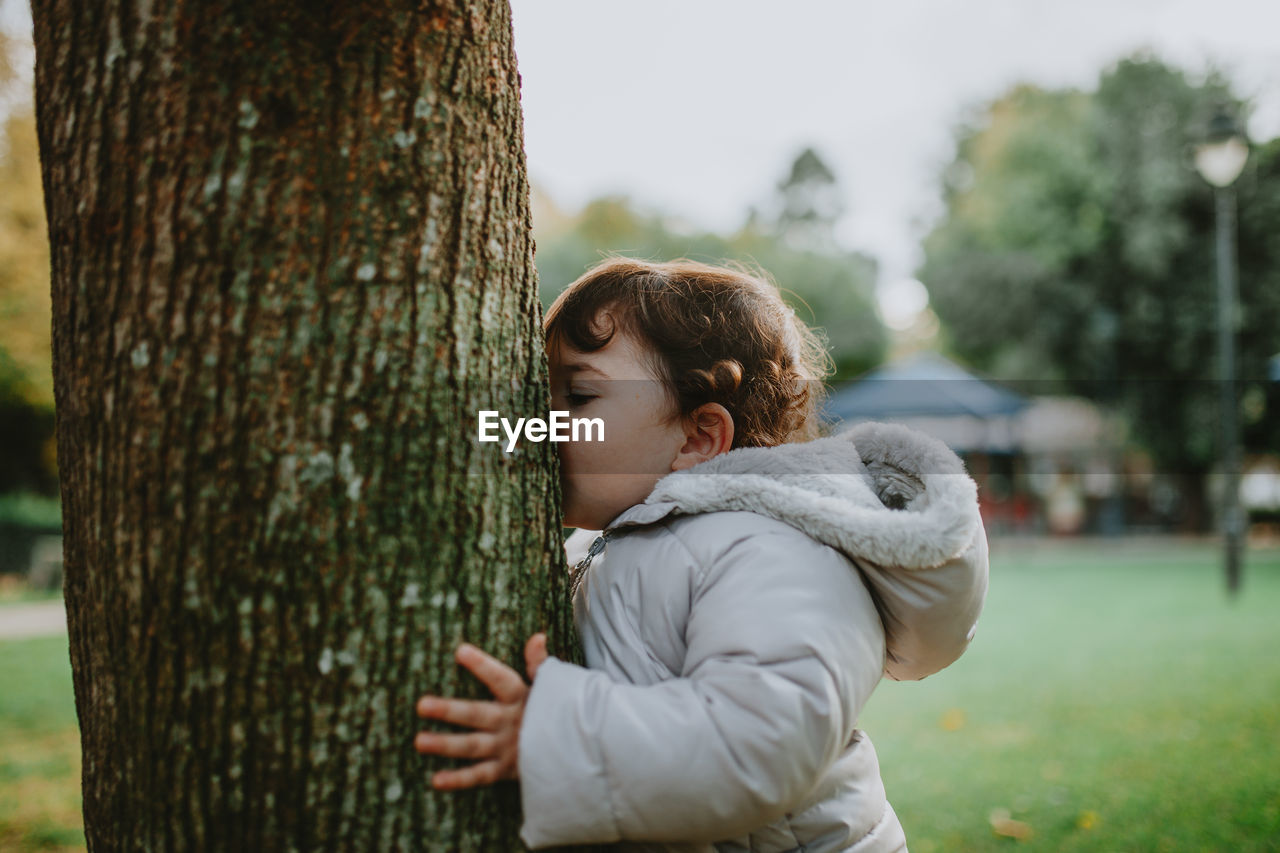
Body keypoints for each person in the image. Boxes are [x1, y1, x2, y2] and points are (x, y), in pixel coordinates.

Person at [414, 258, 989, 852]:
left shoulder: (771, 550)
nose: (540, 421)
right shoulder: (610, 540)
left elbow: (759, 748)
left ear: (697, 437)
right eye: (540, 393)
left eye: (578, 395)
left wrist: (557, 734)